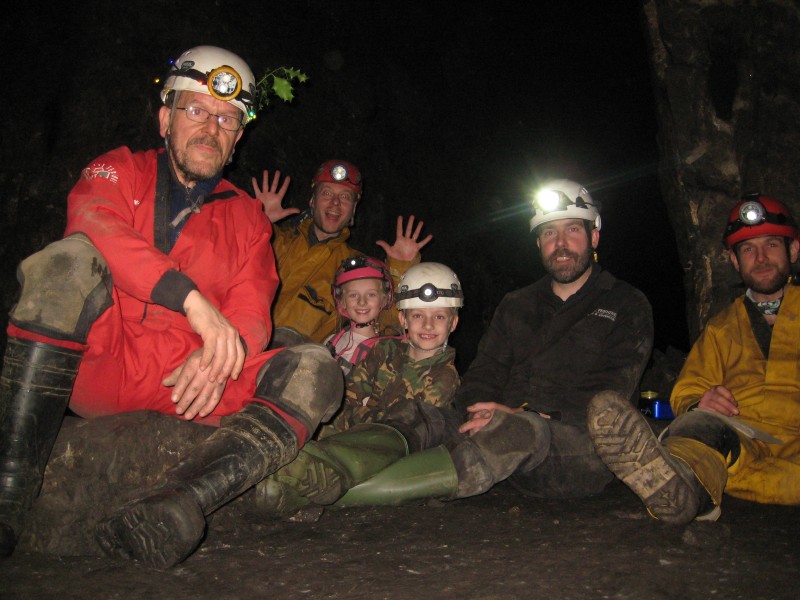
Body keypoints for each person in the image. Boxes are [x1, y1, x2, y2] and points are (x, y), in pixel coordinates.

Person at [0, 45, 342, 568]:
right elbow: (92, 225)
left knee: (315, 369)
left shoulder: (249, 217)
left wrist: (221, 356)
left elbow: (253, 311)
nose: (211, 127)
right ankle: (9, 497)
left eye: (227, 119)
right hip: (101, 359)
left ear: (239, 137)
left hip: (192, 380)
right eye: (196, 110)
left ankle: (178, 502)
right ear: (166, 118)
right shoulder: (118, 169)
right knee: (66, 263)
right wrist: (192, 301)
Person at [256, 180, 654, 513]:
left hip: (568, 444)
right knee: (419, 413)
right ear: (539, 243)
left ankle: (327, 498)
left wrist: (521, 414)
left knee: (519, 432)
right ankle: (306, 468)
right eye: (550, 233)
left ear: (594, 236)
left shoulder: (625, 303)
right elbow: (484, 374)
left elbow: (609, 395)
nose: (560, 242)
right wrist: (477, 410)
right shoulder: (518, 305)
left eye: (572, 230)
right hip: (492, 425)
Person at [588, 193, 800, 525]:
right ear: (733, 261)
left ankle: (688, 482)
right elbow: (688, 391)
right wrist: (702, 400)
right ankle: (682, 491)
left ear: (793, 250)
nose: (760, 258)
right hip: (744, 445)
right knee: (696, 425)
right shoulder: (722, 328)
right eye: (747, 249)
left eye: (771, 245)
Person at [252, 262, 464, 516]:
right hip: (354, 435)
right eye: (418, 316)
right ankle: (282, 459)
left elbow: (398, 424)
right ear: (402, 319)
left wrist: (364, 411)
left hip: (398, 450)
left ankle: (302, 486)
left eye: (439, 317)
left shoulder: (445, 376)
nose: (428, 326)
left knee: (384, 448)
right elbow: (351, 396)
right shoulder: (384, 350)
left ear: (453, 323)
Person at [252, 163, 431, 344]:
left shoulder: (355, 269)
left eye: (345, 197)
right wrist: (256, 223)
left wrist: (400, 268)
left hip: (292, 364)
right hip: (237, 341)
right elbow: (226, 266)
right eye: (327, 193)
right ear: (312, 201)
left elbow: (390, 323)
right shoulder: (273, 240)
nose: (335, 202)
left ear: (353, 209)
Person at [324, 255, 400, 375]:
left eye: (371, 295)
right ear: (342, 301)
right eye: (353, 295)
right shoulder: (331, 341)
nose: (362, 302)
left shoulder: (384, 352)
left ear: (385, 299)